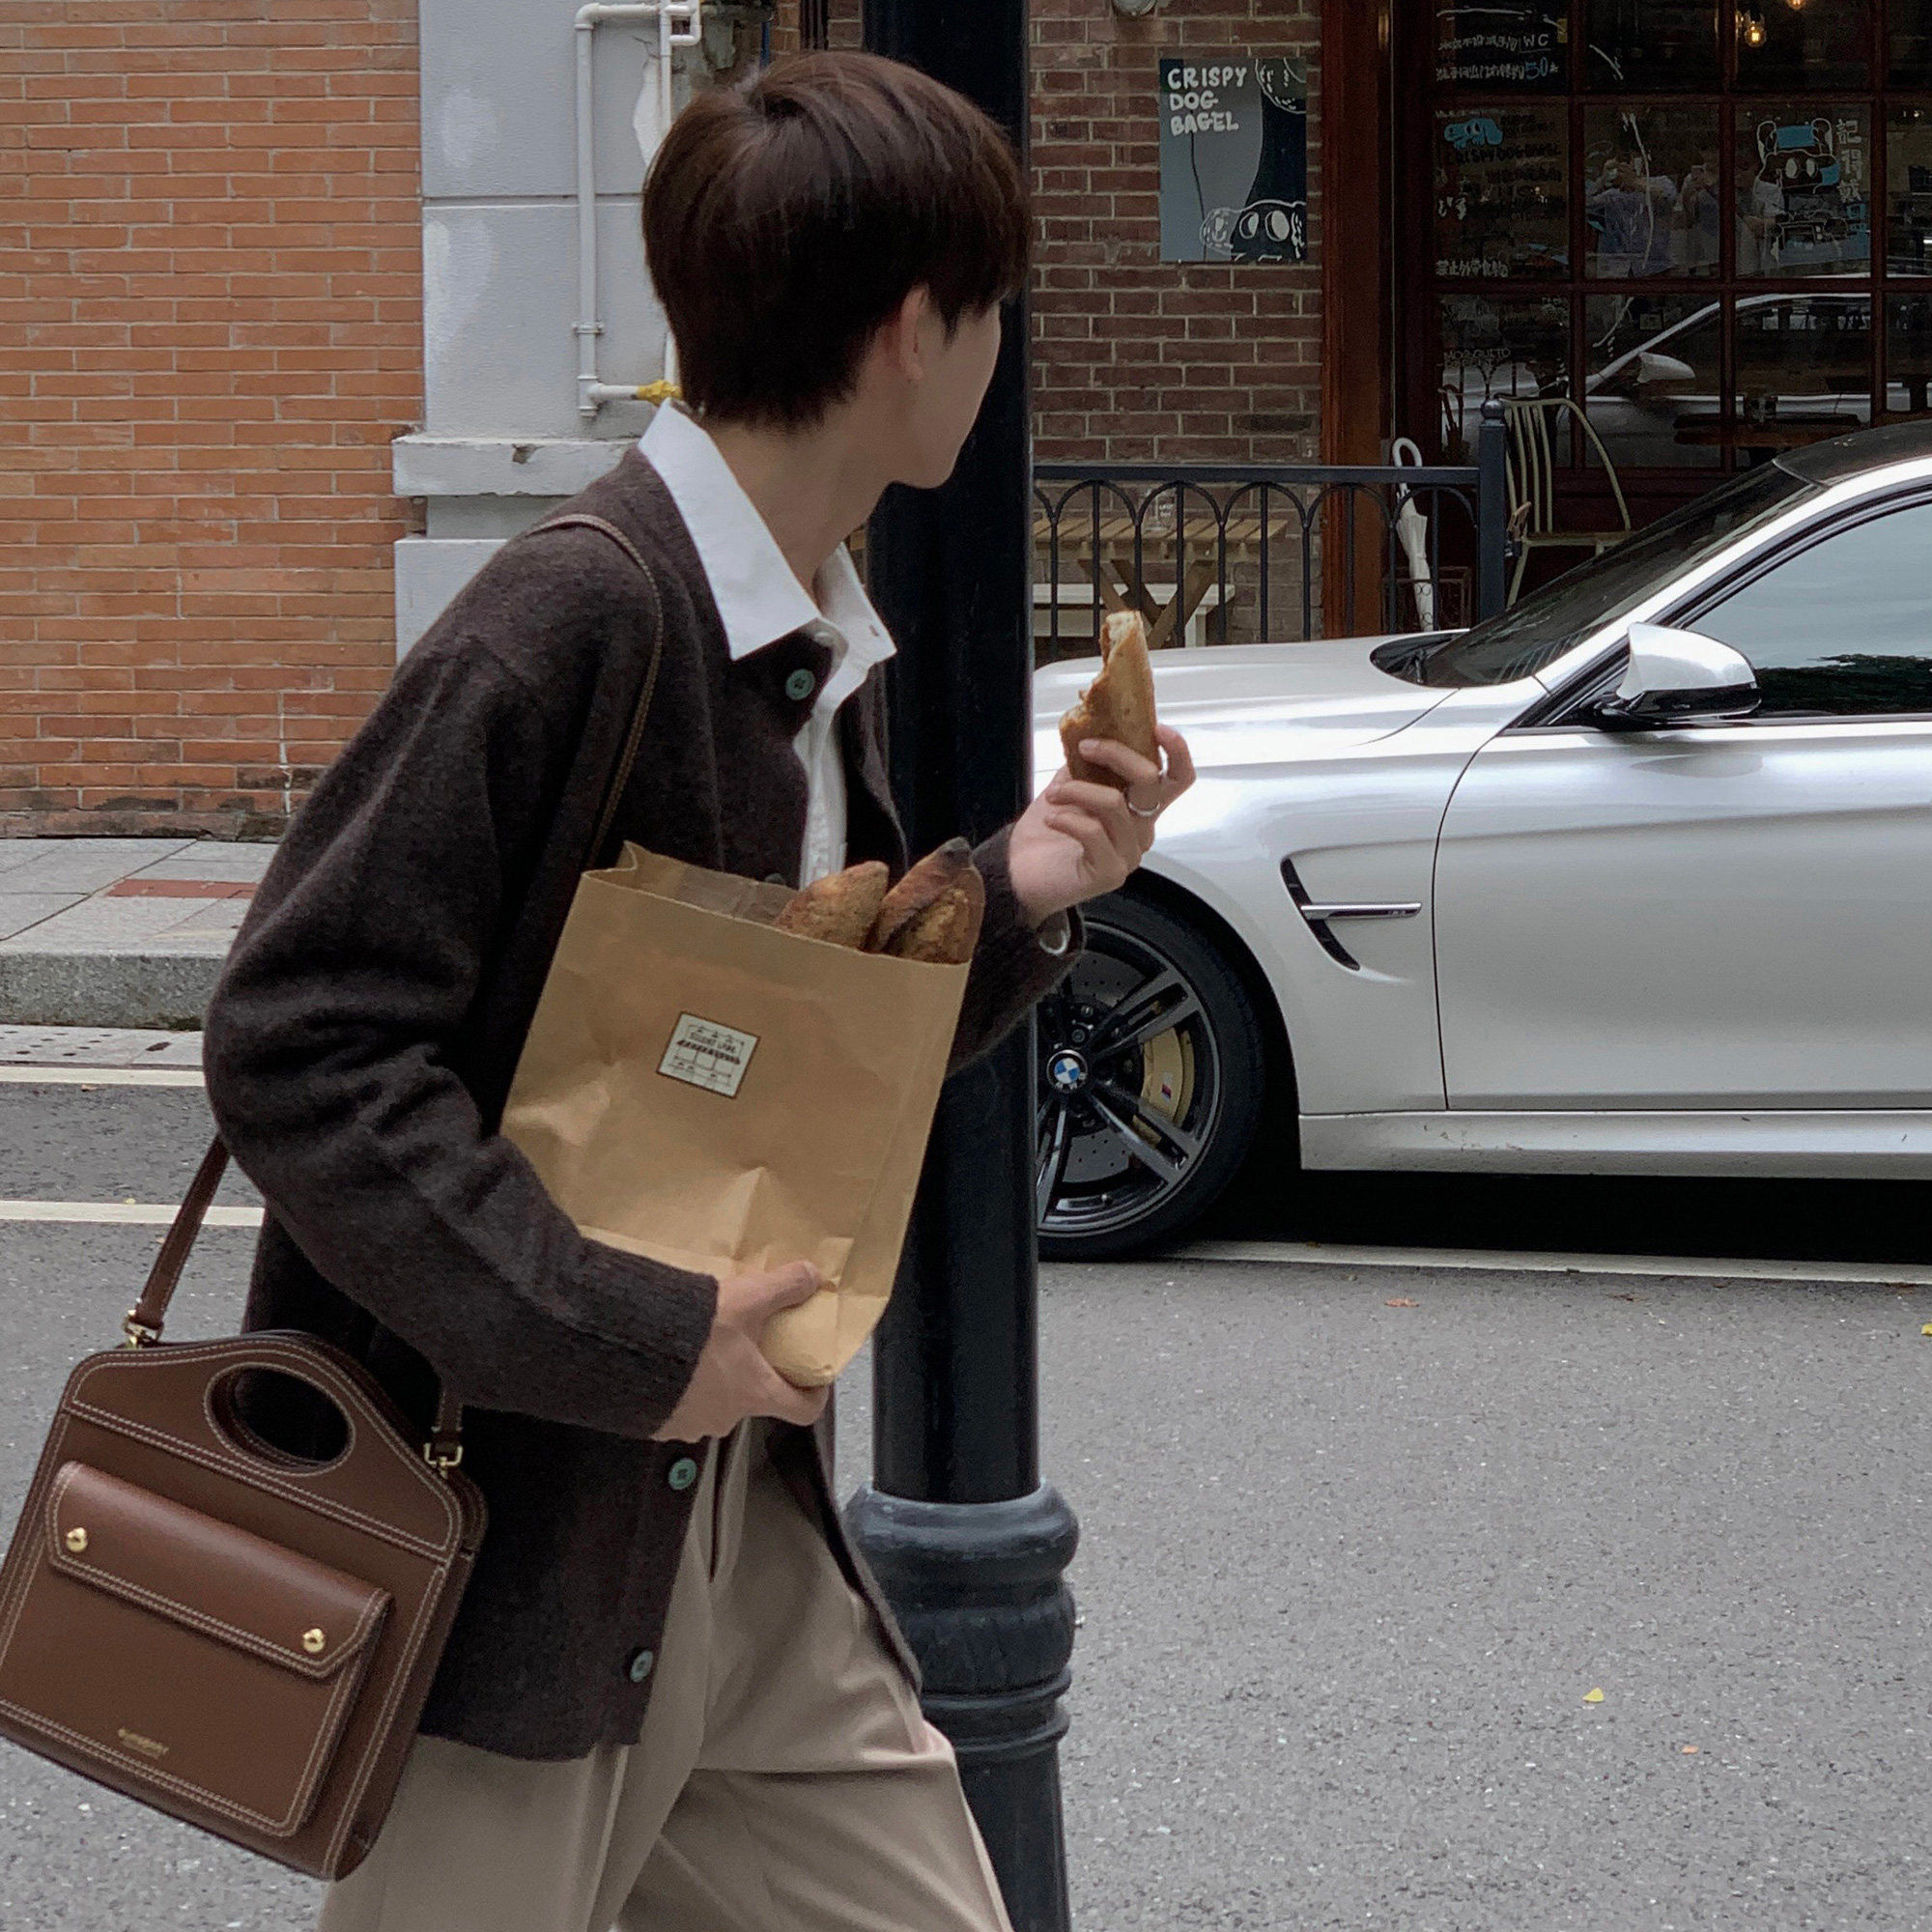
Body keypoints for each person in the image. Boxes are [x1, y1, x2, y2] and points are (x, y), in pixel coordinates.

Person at [202, 47, 1193, 1932]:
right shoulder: (576, 617)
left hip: (742, 1536)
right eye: (996, 309)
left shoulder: (798, 628)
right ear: (913, 330)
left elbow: (788, 1046)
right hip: (519, 1554)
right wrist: (625, 1329)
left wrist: (1021, 886)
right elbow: (297, 1041)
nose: (1004, 353)